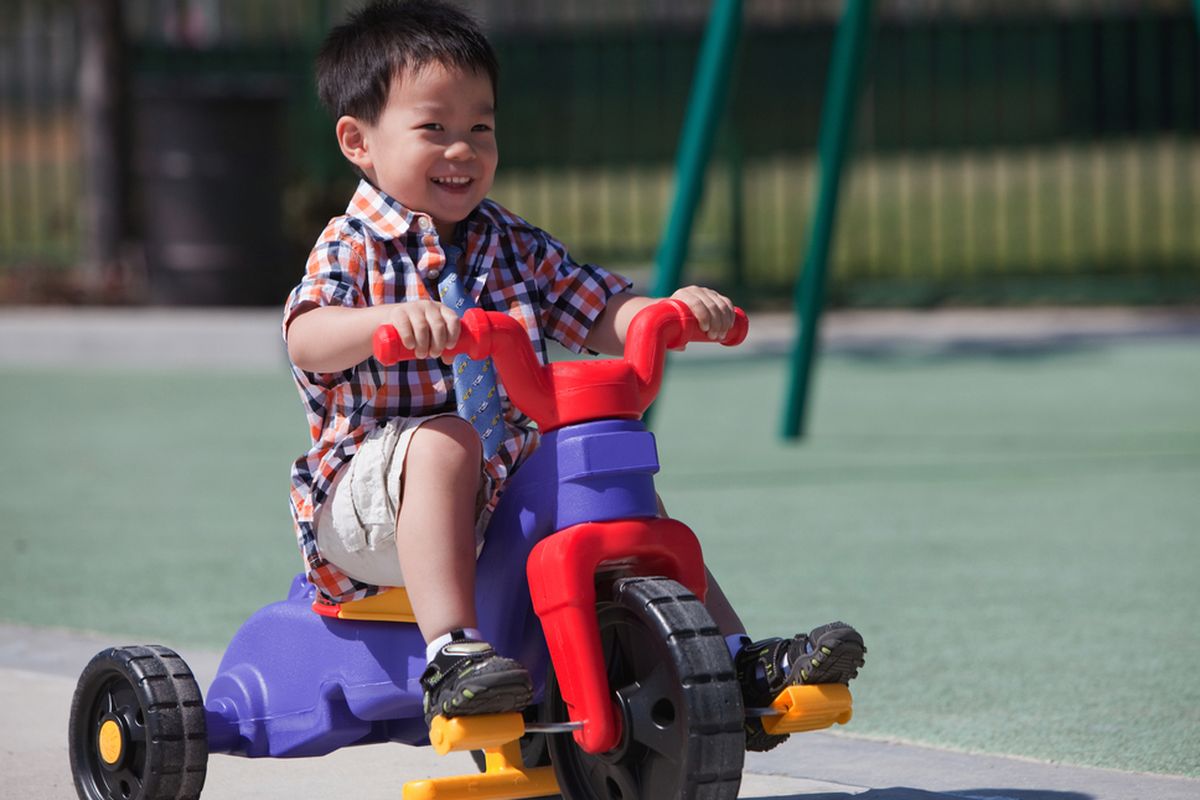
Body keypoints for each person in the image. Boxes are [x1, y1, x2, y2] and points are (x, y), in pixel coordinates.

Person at [283, 0, 865, 751]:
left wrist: (666, 313)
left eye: (481, 128)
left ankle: (730, 661)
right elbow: (306, 336)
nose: (462, 149)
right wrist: (383, 324)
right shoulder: (352, 246)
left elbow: (597, 304)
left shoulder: (509, 239)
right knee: (443, 440)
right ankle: (451, 655)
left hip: (497, 493)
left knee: (611, 472)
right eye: (434, 128)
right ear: (358, 142)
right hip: (370, 511)